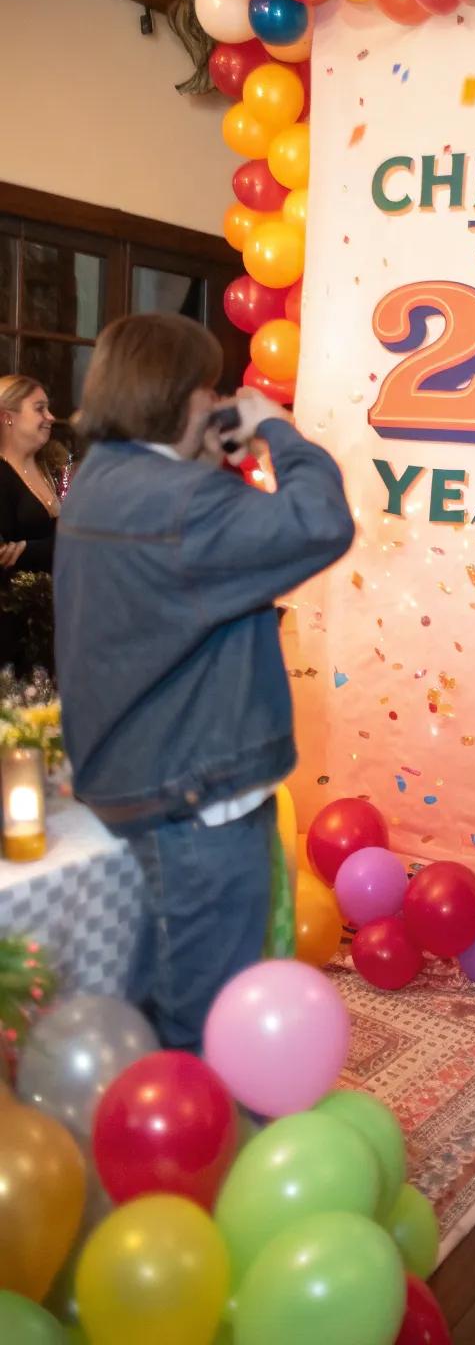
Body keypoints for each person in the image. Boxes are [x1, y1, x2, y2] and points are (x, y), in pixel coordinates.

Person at [54, 313, 354, 1051]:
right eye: (212, 387)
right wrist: (276, 431)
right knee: (208, 1028)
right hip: (194, 796)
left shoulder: (100, 479)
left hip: (131, 776)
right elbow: (321, 521)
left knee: (148, 1005)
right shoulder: (183, 504)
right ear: (185, 397)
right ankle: (202, 1163)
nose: (219, 400)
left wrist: (212, 455)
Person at [0, 376, 60, 677]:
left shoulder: (56, 468)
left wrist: (29, 550)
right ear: (6, 417)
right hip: (15, 632)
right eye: (40, 409)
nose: (50, 417)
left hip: (62, 620)